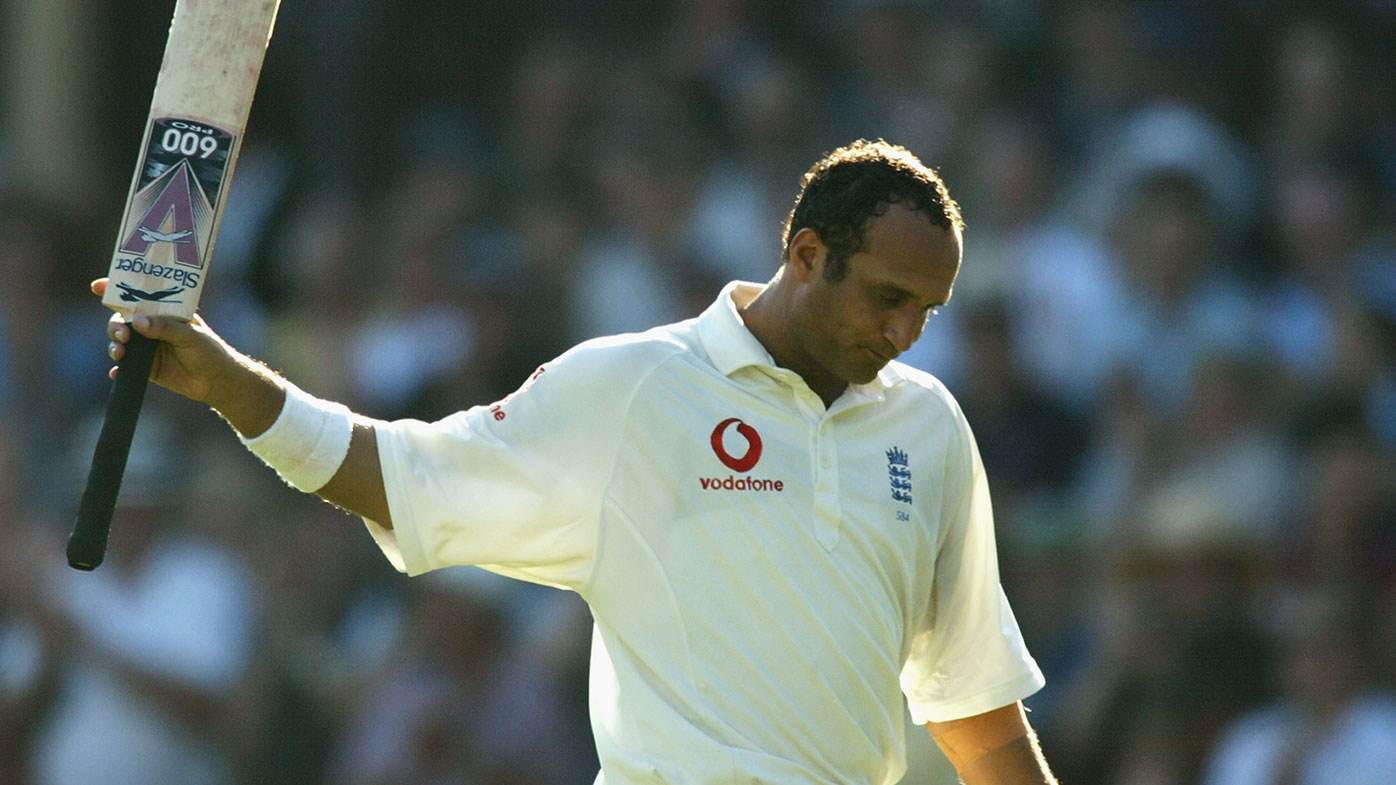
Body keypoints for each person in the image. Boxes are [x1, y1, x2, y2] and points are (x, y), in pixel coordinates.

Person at [100, 139, 1056, 785]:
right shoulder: (635, 384)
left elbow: (977, 706)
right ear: (806, 253)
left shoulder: (929, 428)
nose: (905, 332)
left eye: (927, 312)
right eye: (889, 297)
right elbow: (397, 473)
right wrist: (226, 381)